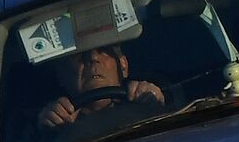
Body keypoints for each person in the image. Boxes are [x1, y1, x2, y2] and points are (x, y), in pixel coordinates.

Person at [35, 45, 165, 129]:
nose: (93, 57)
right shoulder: (50, 127)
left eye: (104, 50)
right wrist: (47, 129)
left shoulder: (148, 101)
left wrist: (158, 105)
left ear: (123, 65)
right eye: (78, 54)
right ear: (61, 76)